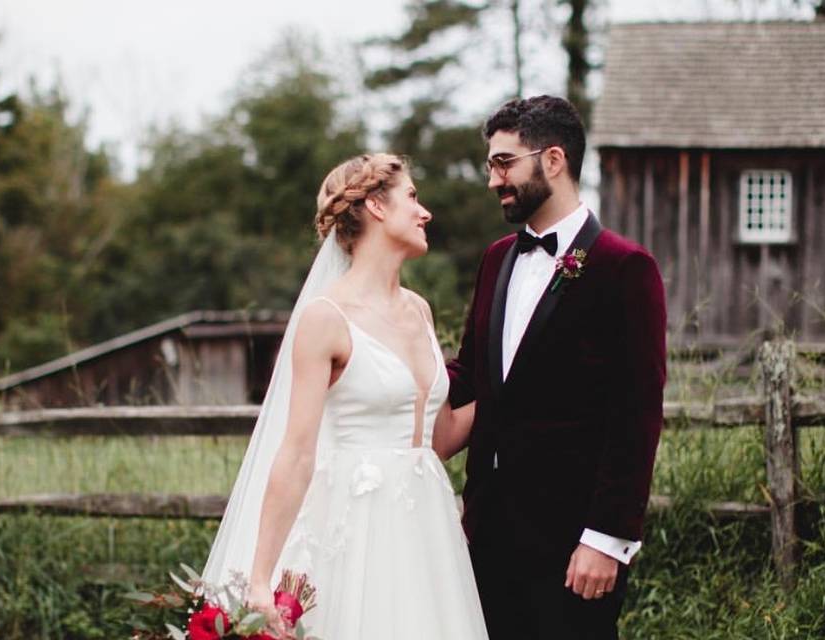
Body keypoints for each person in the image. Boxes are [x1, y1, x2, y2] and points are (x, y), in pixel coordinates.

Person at [201, 153, 489, 639]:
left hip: (429, 537)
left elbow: (437, 439)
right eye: (413, 198)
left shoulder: (419, 310)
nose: (426, 213)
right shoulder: (325, 318)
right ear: (376, 206)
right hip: (357, 535)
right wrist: (259, 579)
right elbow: (295, 453)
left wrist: (518, 384)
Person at [447, 96, 667, 639]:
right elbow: (472, 378)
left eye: (504, 163)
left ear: (552, 160)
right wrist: (391, 368)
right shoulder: (497, 258)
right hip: (487, 536)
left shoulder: (625, 268)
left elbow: (637, 414)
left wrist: (605, 538)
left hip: (573, 545)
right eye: (490, 164)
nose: (493, 179)